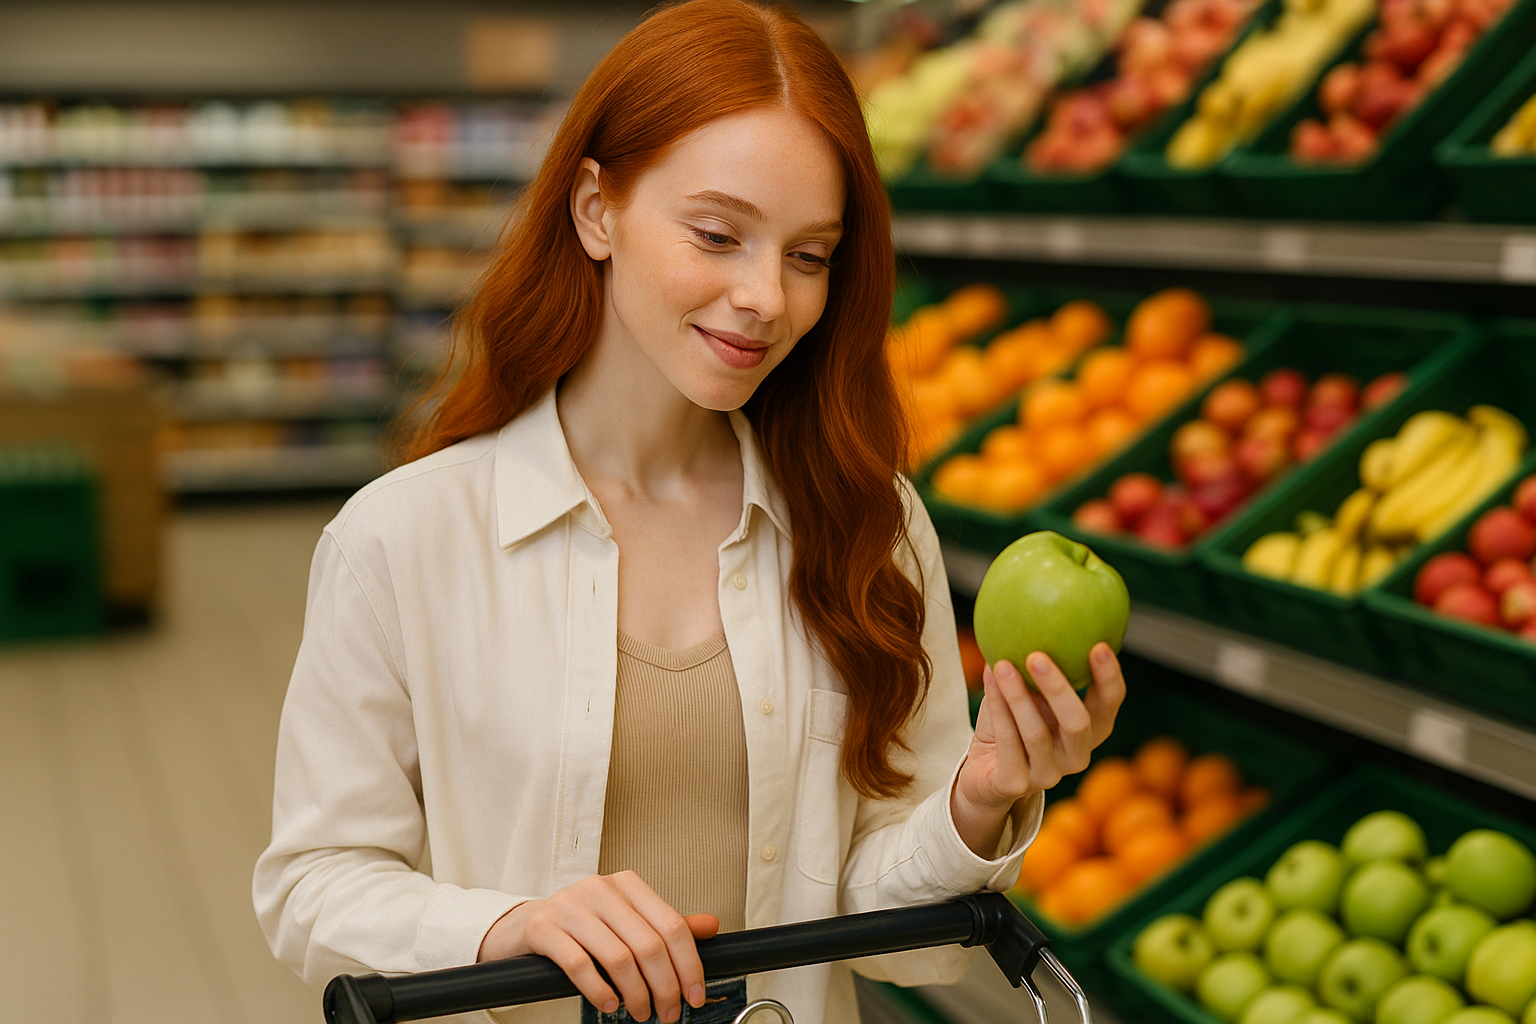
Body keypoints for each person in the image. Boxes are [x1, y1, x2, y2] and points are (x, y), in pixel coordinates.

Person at [252, 2, 1126, 1022]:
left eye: (809, 255)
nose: (765, 295)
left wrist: (977, 802)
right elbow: (311, 885)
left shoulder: (868, 525)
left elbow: (895, 938)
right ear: (596, 210)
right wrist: (509, 927)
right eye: (718, 235)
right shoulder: (403, 539)